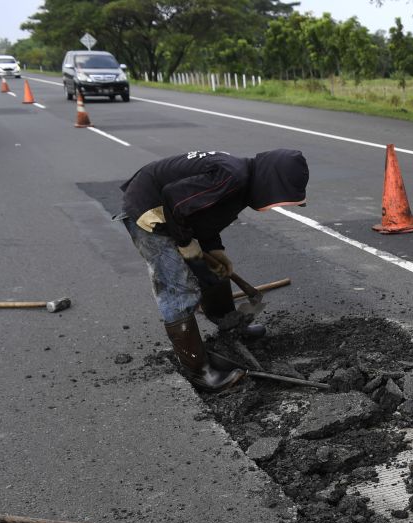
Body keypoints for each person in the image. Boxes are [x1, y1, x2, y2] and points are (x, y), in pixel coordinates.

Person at [118, 149, 309, 391]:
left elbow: (204, 213)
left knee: (215, 270)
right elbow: (172, 196)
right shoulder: (233, 176)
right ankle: (199, 371)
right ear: (272, 183)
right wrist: (185, 242)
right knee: (178, 286)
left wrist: (213, 248)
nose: (277, 205)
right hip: (150, 209)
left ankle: (229, 324)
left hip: (174, 211)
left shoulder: (242, 183)